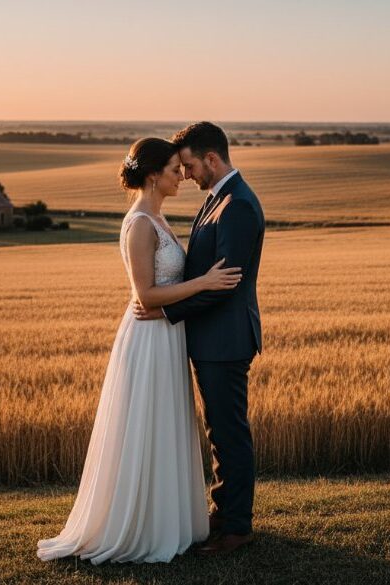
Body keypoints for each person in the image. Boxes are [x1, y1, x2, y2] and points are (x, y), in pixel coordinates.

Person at [37, 137, 242, 564]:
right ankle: (138, 524)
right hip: (149, 336)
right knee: (145, 424)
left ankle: (167, 519)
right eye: (173, 170)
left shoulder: (158, 218)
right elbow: (146, 295)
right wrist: (204, 283)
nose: (181, 177)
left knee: (163, 423)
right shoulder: (140, 224)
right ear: (152, 175)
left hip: (167, 334)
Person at [134, 122, 265, 555]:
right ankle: (223, 511)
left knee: (229, 433)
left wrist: (165, 309)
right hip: (209, 338)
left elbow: (222, 283)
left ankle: (237, 527)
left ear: (212, 159)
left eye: (189, 165)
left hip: (225, 339)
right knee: (219, 431)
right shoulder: (218, 200)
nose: (185, 174)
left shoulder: (238, 205)